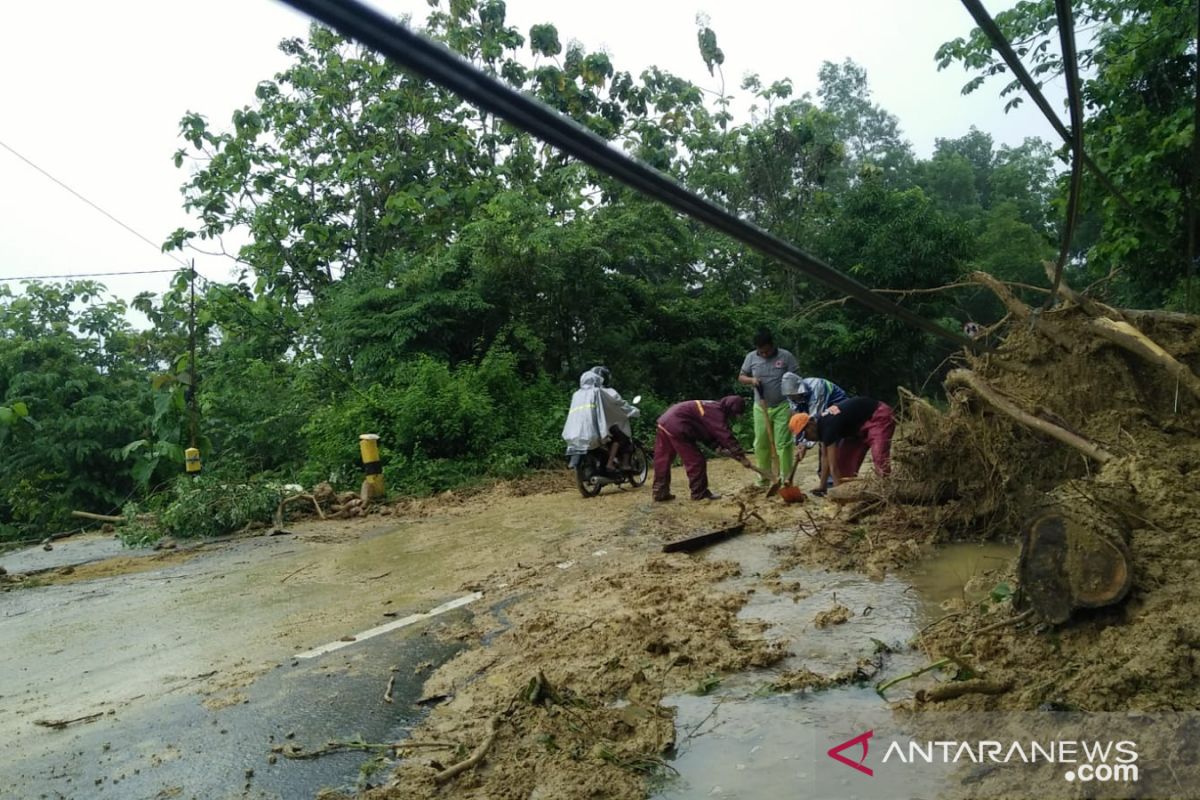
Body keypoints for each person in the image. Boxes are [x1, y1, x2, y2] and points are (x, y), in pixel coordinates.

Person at [652, 396, 763, 501]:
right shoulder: (716, 412)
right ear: (730, 409)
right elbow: (724, 434)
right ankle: (699, 494)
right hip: (678, 425)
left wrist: (716, 447)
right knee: (696, 461)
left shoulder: (711, 407)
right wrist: (740, 456)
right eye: (734, 414)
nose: (733, 417)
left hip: (665, 422)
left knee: (663, 460)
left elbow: (705, 432)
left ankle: (660, 492)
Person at [790, 396, 895, 493]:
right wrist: (822, 486)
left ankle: (886, 491)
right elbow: (824, 457)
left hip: (877, 416)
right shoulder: (820, 424)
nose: (807, 438)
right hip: (857, 430)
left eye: (806, 434)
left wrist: (837, 492)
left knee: (880, 457)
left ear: (811, 424)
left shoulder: (828, 427)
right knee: (844, 467)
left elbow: (833, 465)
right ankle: (846, 490)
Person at [737, 329, 799, 486]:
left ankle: (786, 478)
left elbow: (797, 379)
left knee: (783, 444)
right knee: (761, 443)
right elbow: (741, 377)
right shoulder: (751, 357)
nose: (764, 354)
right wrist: (751, 380)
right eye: (761, 351)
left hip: (783, 405)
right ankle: (764, 477)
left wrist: (795, 404)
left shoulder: (786, 356)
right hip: (760, 406)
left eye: (767, 351)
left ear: (772, 345)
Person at [781, 373, 848, 491]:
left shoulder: (817, 387)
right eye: (792, 397)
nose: (794, 399)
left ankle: (835, 482)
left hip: (838, 411)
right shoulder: (790, 395)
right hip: (821, 416)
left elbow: (814, 423)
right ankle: (825, 482)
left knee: (829, 446)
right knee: (823, 446)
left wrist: (806, 445)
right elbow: (797, 419)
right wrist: (799, 443)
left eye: (796, 396)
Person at [562, 368, 638, 471]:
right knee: (620, 438)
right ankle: (612, 463)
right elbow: (619, 405)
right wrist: (633, 411)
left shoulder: (577, 394)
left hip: (576, 429)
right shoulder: (600, 392)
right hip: (599, 426)